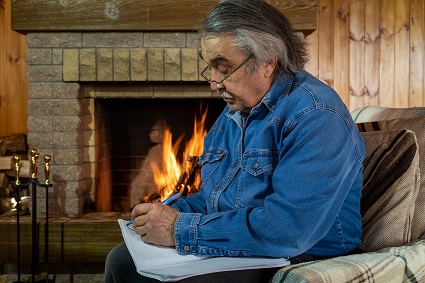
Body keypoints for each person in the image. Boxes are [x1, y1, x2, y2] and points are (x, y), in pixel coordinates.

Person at [105, 0, 366, 282]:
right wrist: (165, 214)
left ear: (268, 61)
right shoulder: (235, 112)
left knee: (138, 273)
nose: (214, 83)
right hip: (249, 245)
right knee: (122, 258)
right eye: (211, 69)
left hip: (302, 254)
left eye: (223, 68)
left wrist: (178, 228)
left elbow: (289, 229)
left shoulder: (316, 115)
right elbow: (216, 197)